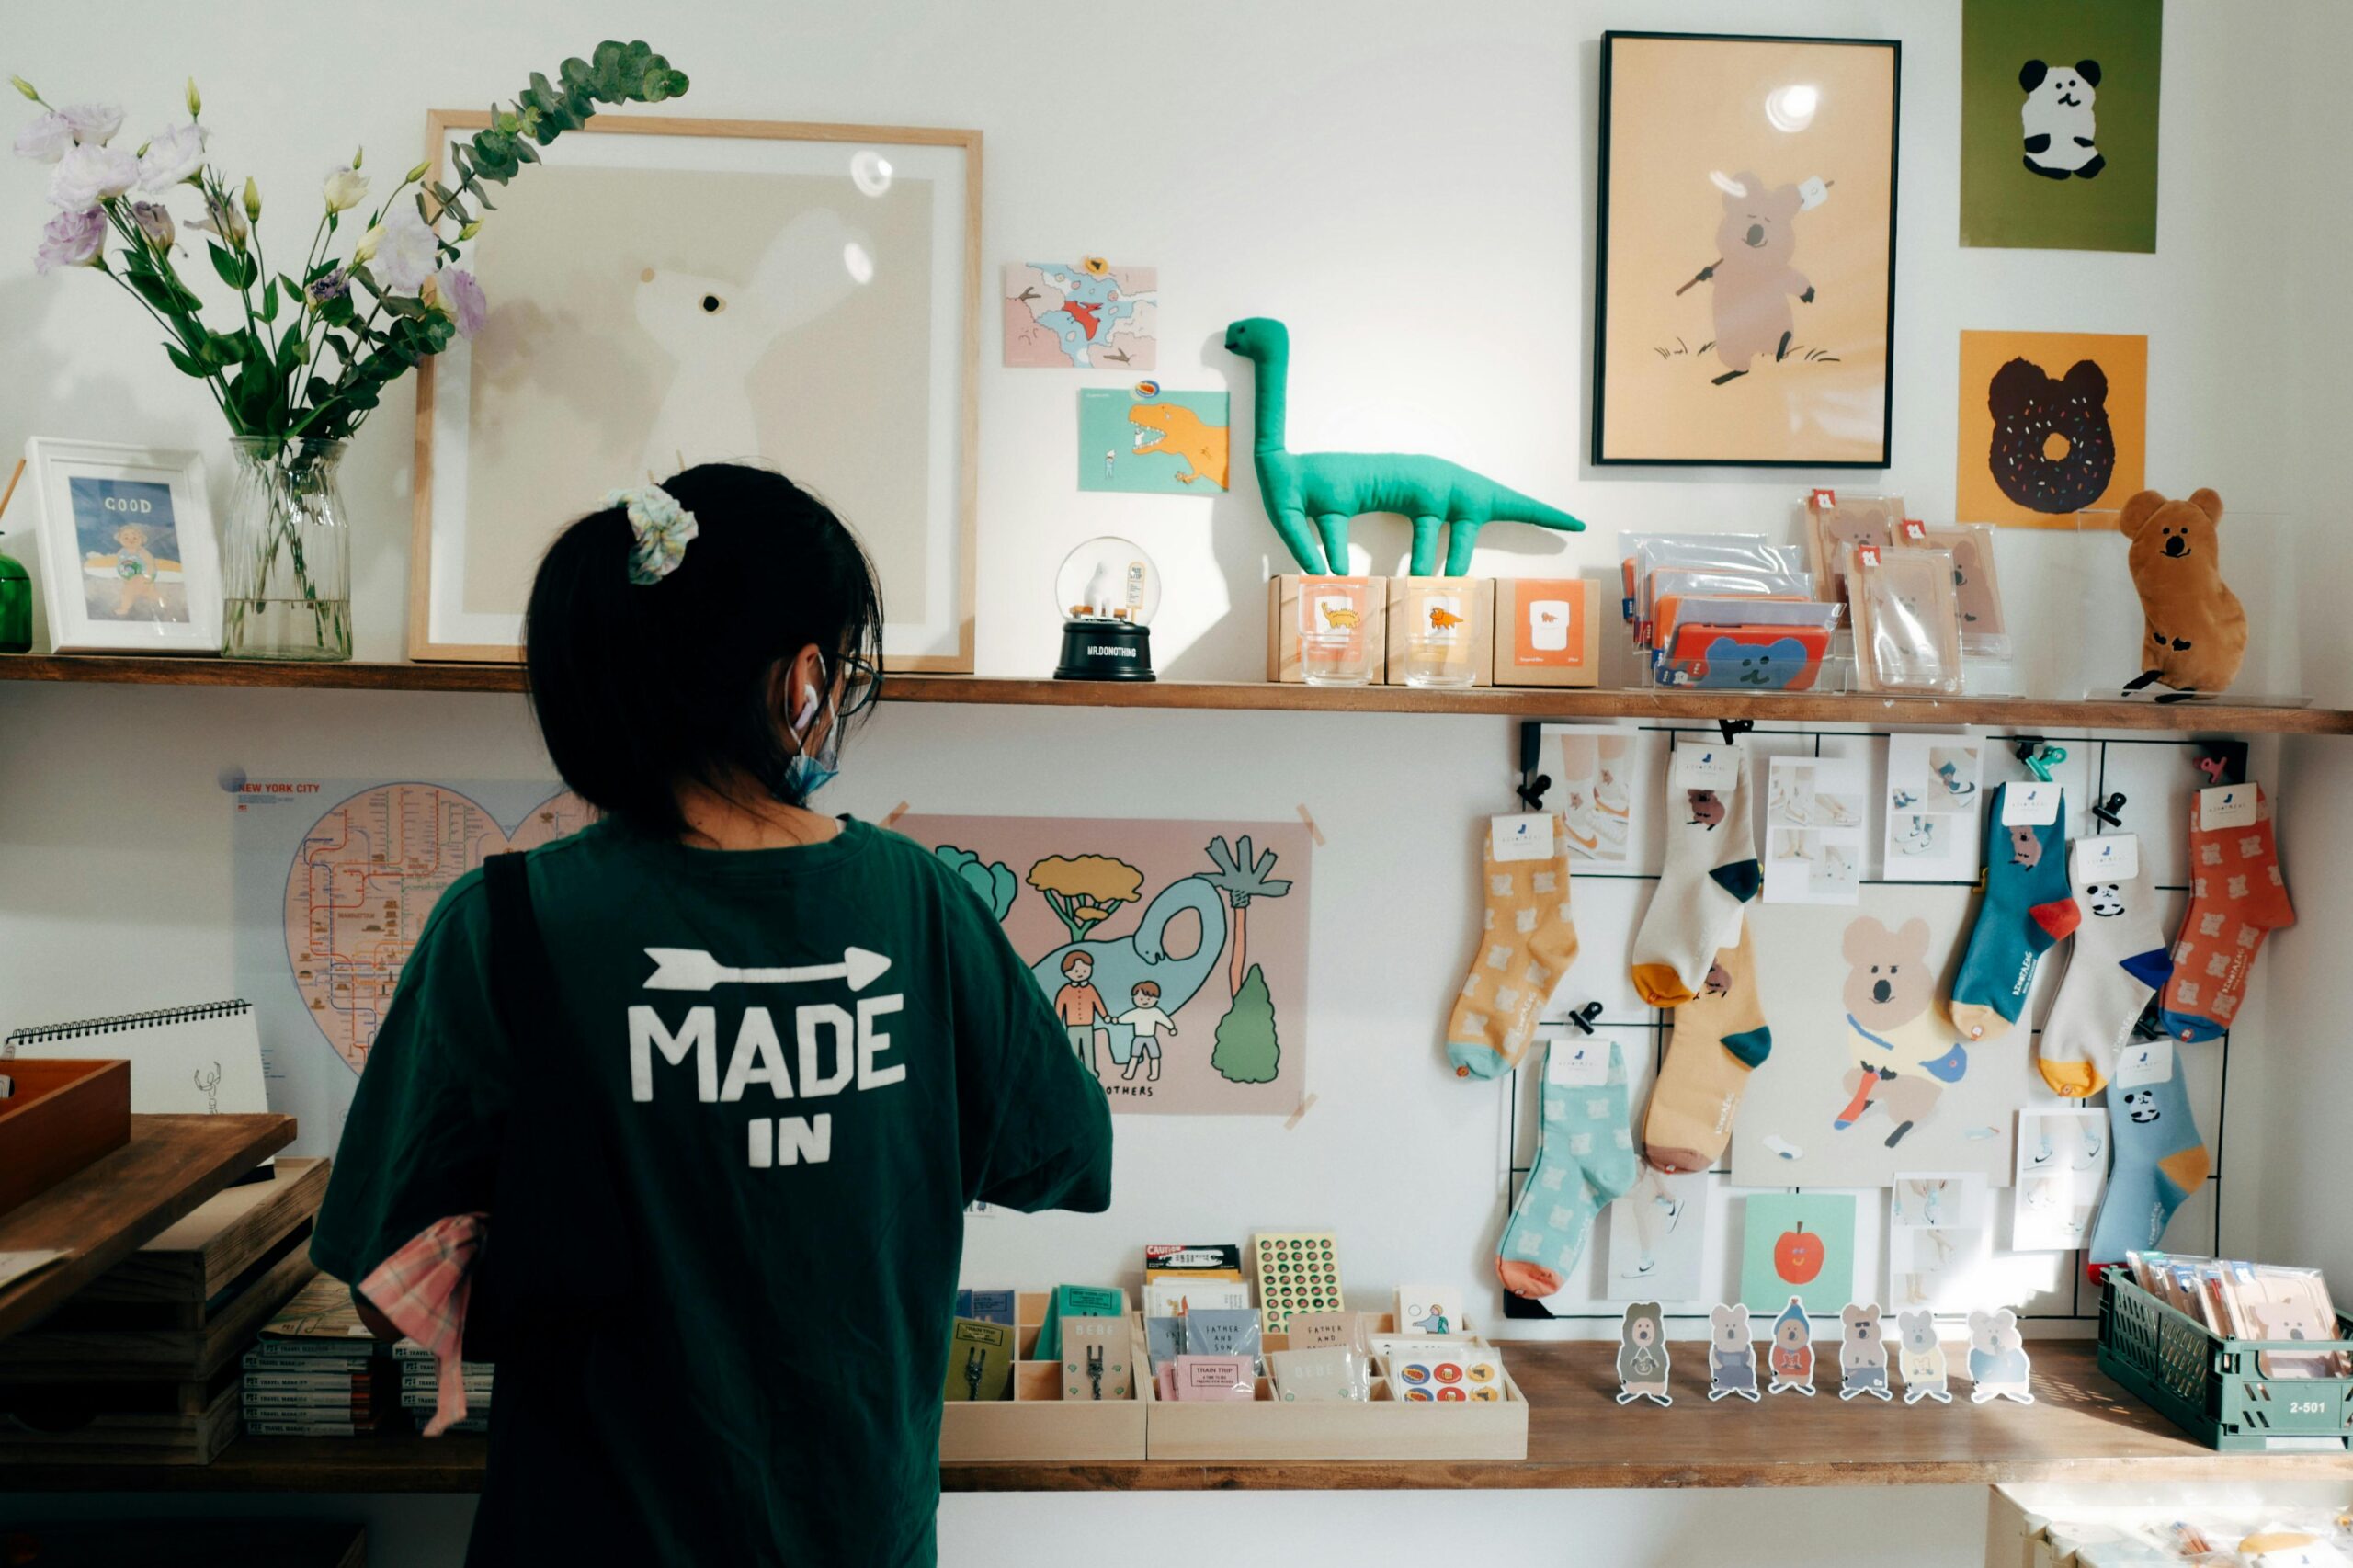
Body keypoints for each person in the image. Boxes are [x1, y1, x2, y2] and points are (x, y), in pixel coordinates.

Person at [309, 463, 1113, 1568]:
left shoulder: (502, 927)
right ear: (802, 680)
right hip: (857, 1536)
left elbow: (385, 1290)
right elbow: (1056, 1154)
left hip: (583, 1537)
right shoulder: (920, 905)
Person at [1052, 951, 1112, 1074]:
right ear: (1067, 973)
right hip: (1072, 1027)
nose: (1080, 974)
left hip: (1087, 1026)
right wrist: (1057, 1021)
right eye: (1076, 971)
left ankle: (1090, 1070)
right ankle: (1073, 1070)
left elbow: (1098, 1003)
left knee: (1088, 1049)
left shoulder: (1090, 989)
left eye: (1084, 971)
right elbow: (1059, 1007)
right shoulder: (1065, 991)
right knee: (1073, 1050)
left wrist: (1105, 1016)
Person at [1113, 980, 1176, 1082]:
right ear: (1134, 999)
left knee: (1155, 1057)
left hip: (1151, 1038)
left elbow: (1164, 1020)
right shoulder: (1136, 1012)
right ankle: (1129, 1073)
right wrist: (1118, 1020)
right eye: (1141, 998)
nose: (1145, 1000)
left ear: (1156, 999)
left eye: (1149, 998)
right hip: (1138, 1038)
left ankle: (1154, 1074)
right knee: (1134, 1056)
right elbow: (1126, 1017)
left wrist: (1171, 1028)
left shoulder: (1155, 1012)